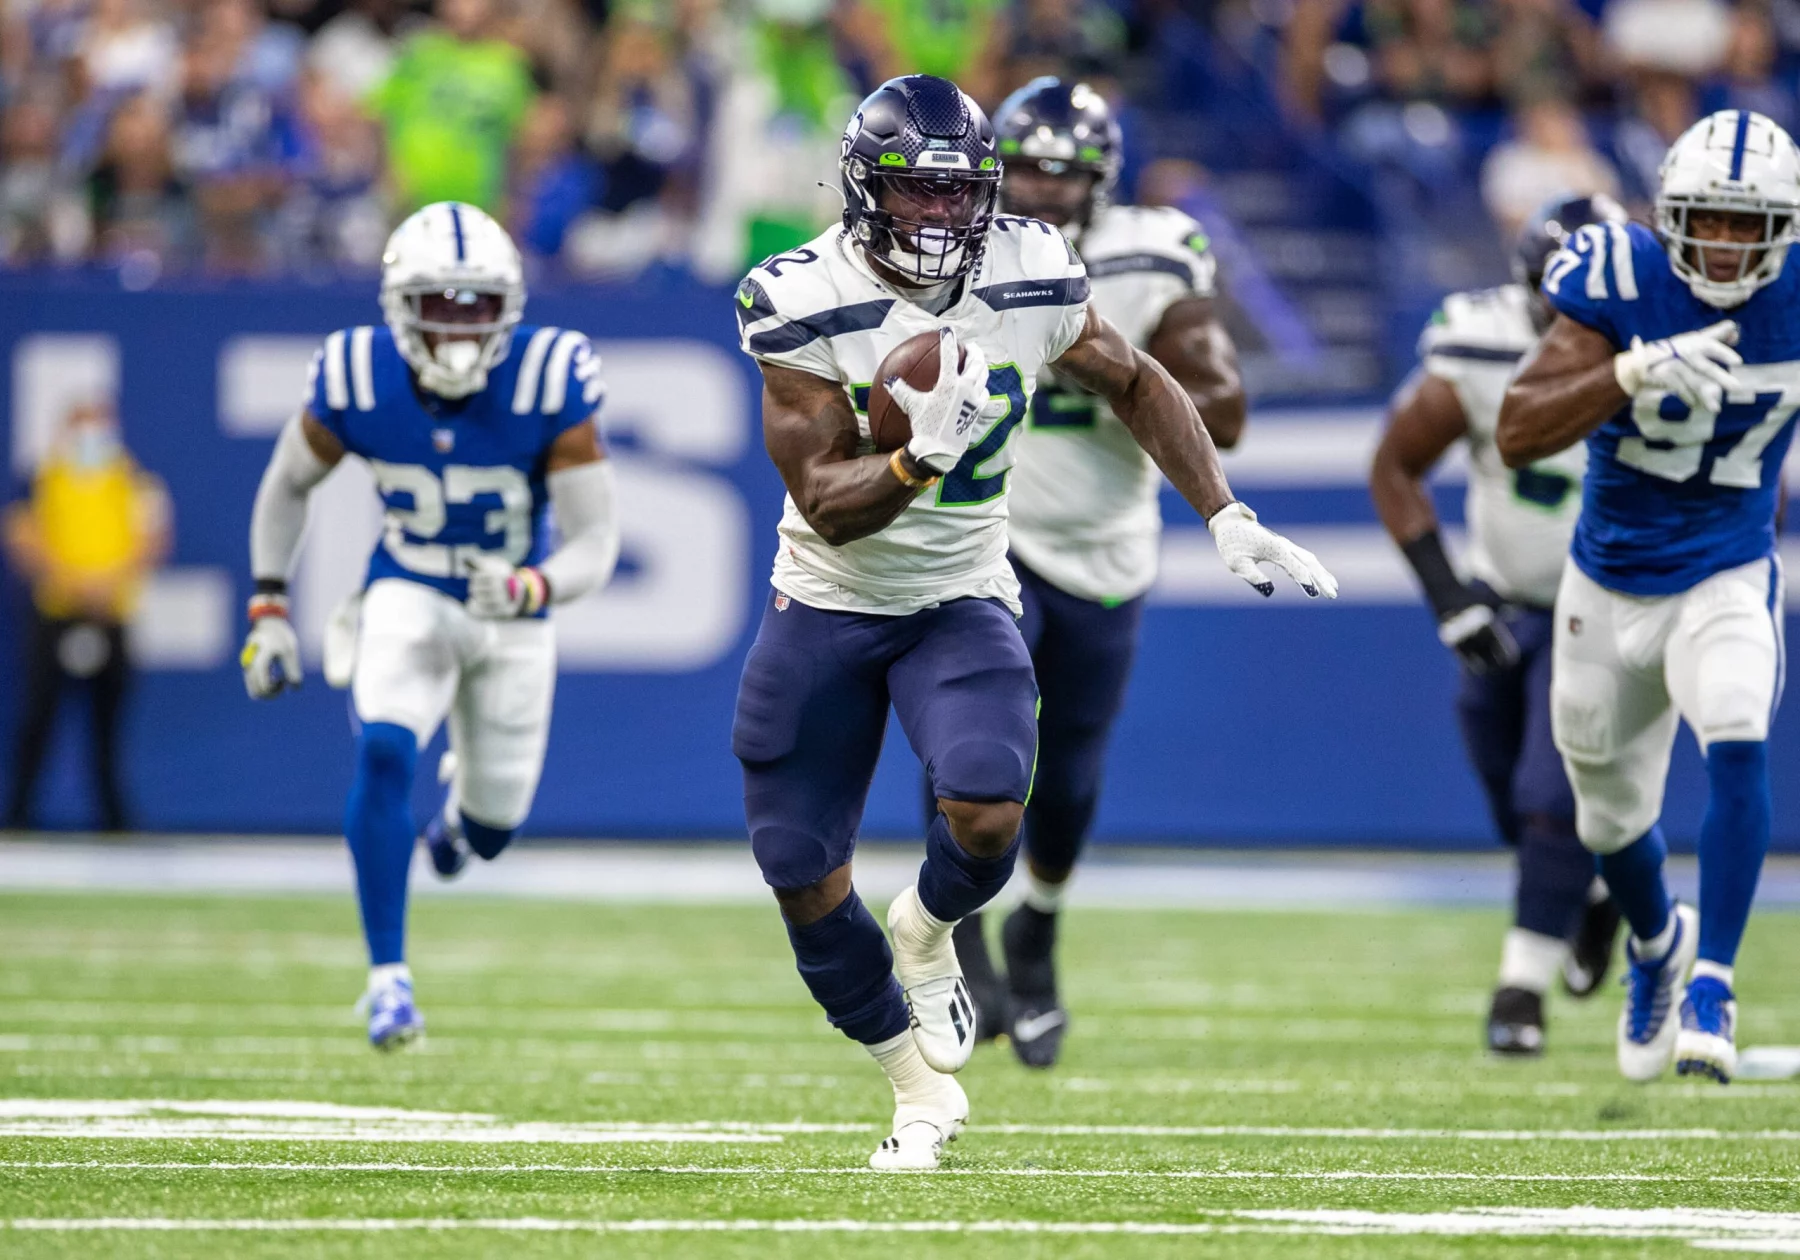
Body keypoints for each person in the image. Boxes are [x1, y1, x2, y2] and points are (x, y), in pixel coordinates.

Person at [732, 73, 1336, 1171]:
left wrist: (1225, 512)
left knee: (987, 811)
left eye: (958, 196)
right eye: (914, 194)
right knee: (797, 866)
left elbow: (1137, 377)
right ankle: (916, 1091)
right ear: (868, 192)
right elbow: (828, 500)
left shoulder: (1030, 265)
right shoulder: (797, 295)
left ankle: (926, 930)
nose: (938, 218)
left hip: (961, 594)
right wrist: (918, 455)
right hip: (827, 599)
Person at [241, 201, 619, 1049]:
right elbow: (285, 485)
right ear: (400, 305)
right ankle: (387, 980)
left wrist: (529, 587)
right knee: (383, 748)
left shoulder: (547, 377)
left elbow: (597, 543)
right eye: (438, 304)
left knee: (493, 828)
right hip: (407, 586)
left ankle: (454, 831)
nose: (457, 327)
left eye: (476, 305)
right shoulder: (355, 375)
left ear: (510, 307)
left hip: (511, 610)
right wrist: (267, 605)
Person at [944, 77, 1246, 1070]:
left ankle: (1036, 925)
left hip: (1108, 540)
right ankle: (965, 932)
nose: (1039, 187)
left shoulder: (1152, 254)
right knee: (973, 743)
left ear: (1101, 181)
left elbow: (1222, 412)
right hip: (992, 534)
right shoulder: (948, 243)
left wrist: (1112, 358)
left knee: (1069, 769)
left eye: (1062, 172)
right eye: (1024, 166)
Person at [1497, 110, 1800, 1085]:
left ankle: (1712, 978)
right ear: (1669, 216)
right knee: (1607, 823)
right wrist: (1629, 368)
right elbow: (1517, 431)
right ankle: (1657, 946)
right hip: (1607, 581)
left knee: (1738, 726)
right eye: (1703, 220)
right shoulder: (1618, 276)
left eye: (1742, 225)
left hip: (1725, 566)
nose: (1719, 243)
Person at [1371, 192, 1625, 1056]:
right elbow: (1396, 466)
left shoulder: (1654, 346)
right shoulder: (1480, 343)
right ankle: (1591, 899)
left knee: (1552, 797)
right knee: (1511, 797)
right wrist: (1451, 596)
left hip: (1611, 607)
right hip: (1506, 597)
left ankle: (1519, 990)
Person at [3, 402, 170, 831]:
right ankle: (19, 815)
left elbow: (154, 538)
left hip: (110, 616)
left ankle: (114, 820)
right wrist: (71, 580)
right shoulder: (44, 477)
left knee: (108, 724)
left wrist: (107, 583)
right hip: (57, 614)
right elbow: (20, 531)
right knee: (39, 718)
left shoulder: (133, 480)